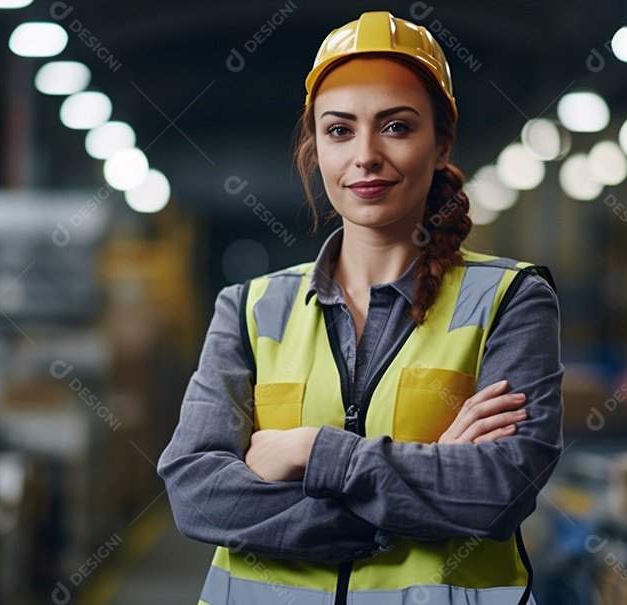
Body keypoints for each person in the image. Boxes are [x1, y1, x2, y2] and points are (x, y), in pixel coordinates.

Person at [158, 11, 563, 605]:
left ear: (442, 142)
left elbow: (500, 490)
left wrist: (308, 451)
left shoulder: (511, 300)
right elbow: (198, 494)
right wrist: (411, 494)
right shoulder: (248, 308)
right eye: (339, 130)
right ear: (315, 146)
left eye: (396, 126)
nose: (366, 155)